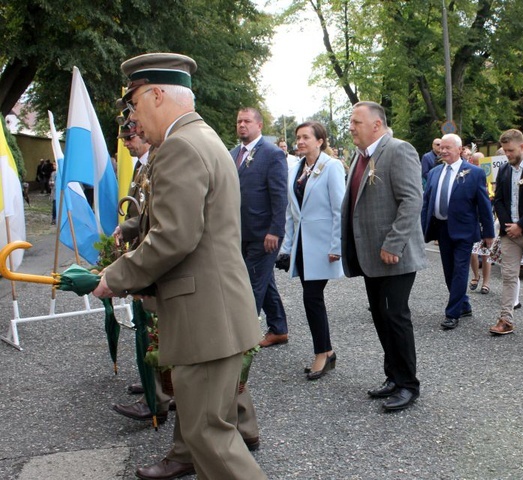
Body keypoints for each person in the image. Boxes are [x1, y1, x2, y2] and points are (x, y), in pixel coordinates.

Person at [92, 52, 266, 480]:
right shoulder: (202, 138)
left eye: (133, 104)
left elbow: (174, 237)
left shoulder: (180, 147)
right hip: (214, 313)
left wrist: (114, 278)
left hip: (204, 317)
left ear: (155, 94)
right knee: (208, 437)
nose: (133, 117)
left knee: (209, 436)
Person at [341, 101, 427, 412]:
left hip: (395, 255)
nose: (351, 126)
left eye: (356, 122)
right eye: (351, 121)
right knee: (380, 315)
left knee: (395, 316)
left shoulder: (398, 150)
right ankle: (393, 376)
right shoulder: (361, 156)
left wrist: (393, 243)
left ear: (377, 125)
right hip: (371, 257)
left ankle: (408, 385)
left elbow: (411, 200)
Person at [109, 118, 175, 424]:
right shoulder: (143, 166)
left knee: (152, 332)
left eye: (131, 137)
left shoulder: (160, 163)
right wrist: (125, 227)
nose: (127, 142)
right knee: (146, 331)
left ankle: (158, 400)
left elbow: (161, 222)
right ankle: (156, 389)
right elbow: (141, 212)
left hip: (153, 262)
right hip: (143, 256)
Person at [279, 121, 346, 380]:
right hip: (302, 245)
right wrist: (286, 247)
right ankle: (326, 351)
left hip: (322, 244)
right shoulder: (295, 168)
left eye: (306, 137)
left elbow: (339, 208)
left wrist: (336, 245)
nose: (300, 141)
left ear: (320, 140)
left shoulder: (331, 167)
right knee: (310, 297)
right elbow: (290, 211)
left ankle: (323, 352)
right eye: (298, 137)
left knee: (312, 297)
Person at [421, 134, 494, 330]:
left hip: (464, 229)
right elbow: (427, 202)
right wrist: (422, 228)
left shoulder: (474, 173)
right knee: (448, 270)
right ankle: (464, 305)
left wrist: (488, 232)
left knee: (460, 270)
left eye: (448, 148)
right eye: (441, 147)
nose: (443, 151)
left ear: (459, 150)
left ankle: (452, 313)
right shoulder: (435, 172)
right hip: (442, 228)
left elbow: (484, 204)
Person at [231, 107, 289, 348]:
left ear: (259, 125)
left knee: (250, 285)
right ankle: (278, 329)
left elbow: (279, 195)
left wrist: (275, 230)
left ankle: (241, 339)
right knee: (264, 281)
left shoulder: (272, 154)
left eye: (247, 121)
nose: (242, 125)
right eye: (239, 121)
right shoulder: (233, 153)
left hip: (264, 234)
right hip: (240, 232)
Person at [489, 129, 523, 335]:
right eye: (505, 151)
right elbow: (499, 199)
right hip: (509, 232)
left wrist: (521, 224)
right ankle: (506, 319)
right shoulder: (503, 170)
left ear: (522, 147)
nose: (508, 154)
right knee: (508, 275)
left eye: (511, 150)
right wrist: (508, 224)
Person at [468, 151, 494, 294]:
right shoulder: (469, 174)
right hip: (474, 218)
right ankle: (476, 275)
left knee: (486, 252)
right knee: (472, 251)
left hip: (486, 217)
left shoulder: (490, 177)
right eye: (475, 163)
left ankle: (486, 282)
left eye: (480, 163)